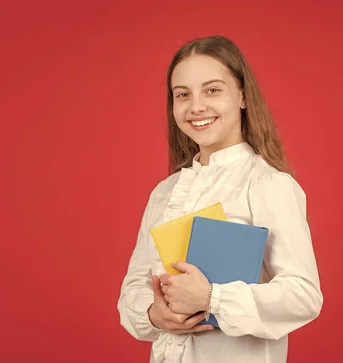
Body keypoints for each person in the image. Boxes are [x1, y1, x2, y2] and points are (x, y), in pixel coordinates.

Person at [117, 35, 323, 363]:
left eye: (212, 90)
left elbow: (303, 296)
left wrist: (212, 298)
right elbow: (132, 292)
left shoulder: (269, 184)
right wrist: (155, 314)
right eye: (182, 94)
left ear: (242, 95)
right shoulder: (164, 193)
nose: (196, 106)